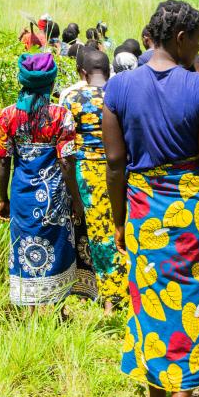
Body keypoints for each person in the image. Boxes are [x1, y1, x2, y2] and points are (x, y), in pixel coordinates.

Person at [103, 0, 199, 397]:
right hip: (189, 218)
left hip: (143, 209)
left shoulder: (119, 88)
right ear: (182, 39)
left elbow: (115, 165)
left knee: (150, 303)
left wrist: (118, 220)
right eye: (198, 42)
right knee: (192, 305)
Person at [0, 53, 87, 307]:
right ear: (51, 82)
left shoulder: (7, 116)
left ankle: (28, 308)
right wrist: (75, 199)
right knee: (57, 246)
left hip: (22, 195)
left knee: (24, 245)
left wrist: (4, 199)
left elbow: (3, 161)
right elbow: (67, 162)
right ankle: (57, 309)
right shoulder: (61, 115)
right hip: (55, 195)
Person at [60, 49, 129, 312]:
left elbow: (66, 150)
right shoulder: (119, 95)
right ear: (108, 71)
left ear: (82, 73)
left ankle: (109, 297)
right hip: (121, 170)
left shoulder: (73, 98)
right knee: (121, 229)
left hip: (88, 173)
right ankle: (123, 291)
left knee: (99, 235)